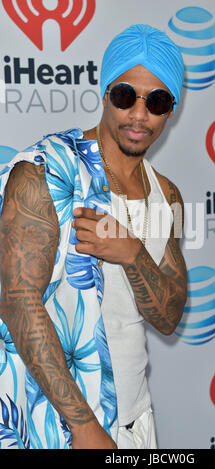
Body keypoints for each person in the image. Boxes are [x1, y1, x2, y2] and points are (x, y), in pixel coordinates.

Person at [0, 24, 187, 450]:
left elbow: (169, 316)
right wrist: (85, 428)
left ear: (170, 110)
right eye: (125, 96)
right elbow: (18, 303)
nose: (139, 115)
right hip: (58, 423)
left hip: (135, 421)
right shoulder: (47, 170)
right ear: (105, 92)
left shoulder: (166, 194)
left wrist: (133, 254)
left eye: (156, 101)